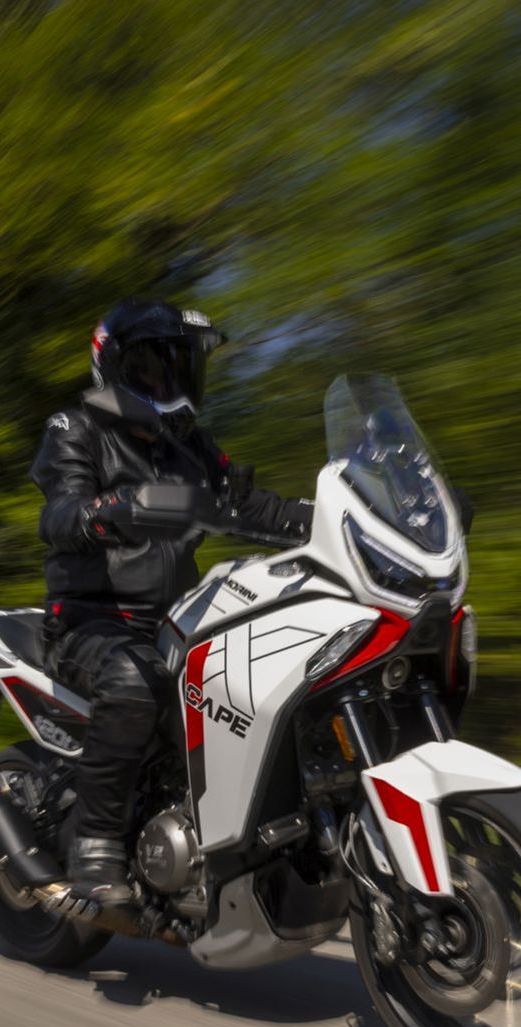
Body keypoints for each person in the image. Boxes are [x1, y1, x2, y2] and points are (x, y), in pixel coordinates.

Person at [31, 298, 312, 908]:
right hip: (90, 623)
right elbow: (59, 513)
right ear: (118, 366)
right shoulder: (75, 429)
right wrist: (110, 510)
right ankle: (95, 844)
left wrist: (344, 518)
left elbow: (253, 508)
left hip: (175, 622)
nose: (173, 381)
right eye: (157, 366)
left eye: (183, 367)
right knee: (135, 680)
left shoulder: (191, 448)